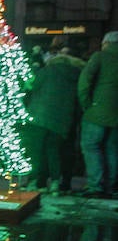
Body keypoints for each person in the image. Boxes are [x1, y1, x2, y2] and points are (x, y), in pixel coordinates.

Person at [27, 41, 85, 194]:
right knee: (55, 150)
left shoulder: (48, 70)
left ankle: (37, 182)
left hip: (40, 115)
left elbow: (32, 85)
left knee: (38, 150)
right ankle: (55, 183)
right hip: (64, 119)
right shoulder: (78, 73)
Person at [78, 30, 118, 198]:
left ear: (106, 43)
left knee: (91, 146)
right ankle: (112, 186)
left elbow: (85, 81)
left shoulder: (100, 57)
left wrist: (87, 104)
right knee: (112, 149)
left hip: (98, 111)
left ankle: (96, 186)